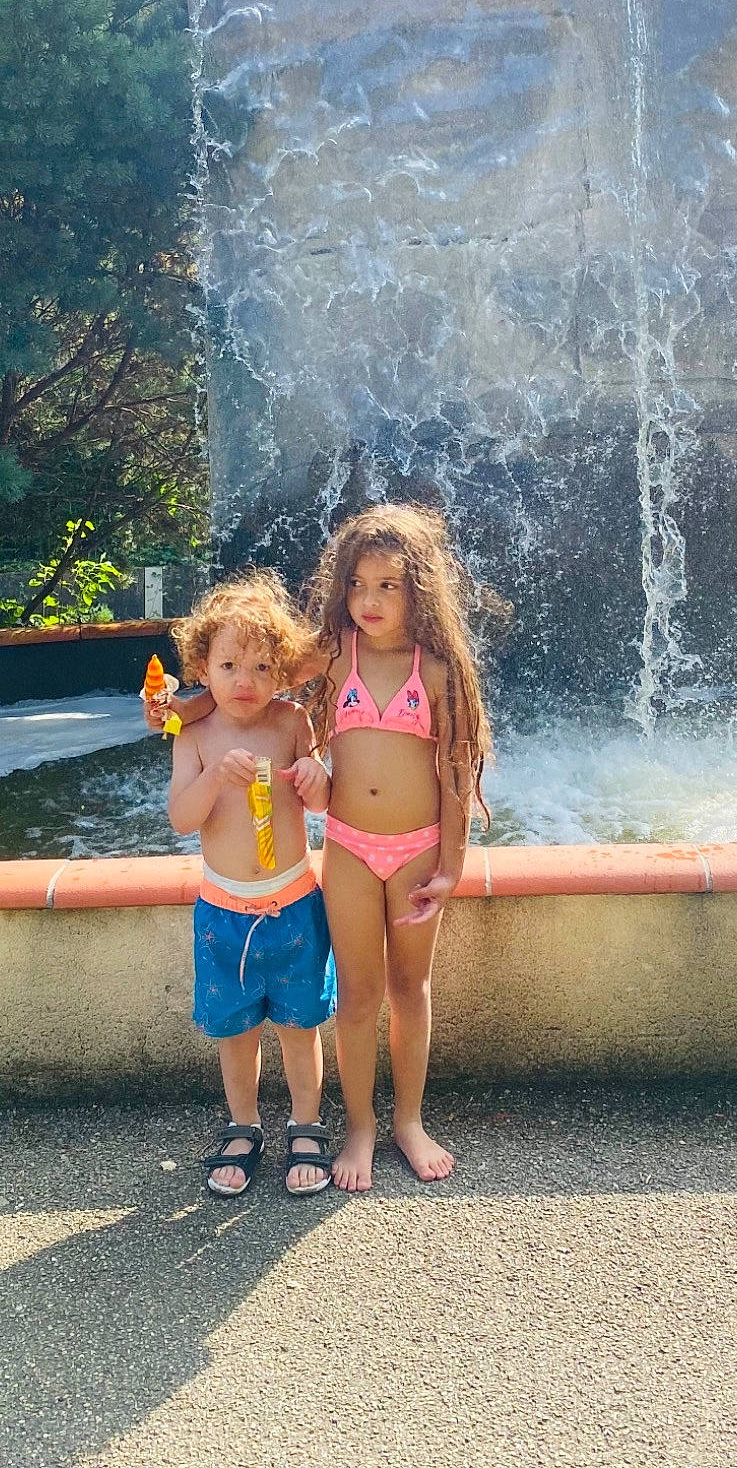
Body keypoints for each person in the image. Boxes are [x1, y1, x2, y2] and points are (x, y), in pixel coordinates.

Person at [149, 505, 494, 1193]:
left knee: (410, 988)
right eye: (359, 584)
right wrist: (179, 709)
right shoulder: (337, 649)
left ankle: (410, 1121)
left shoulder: (440, 672)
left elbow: (458, 773)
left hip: (419, 849)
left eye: (389, 586)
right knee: (360, 993)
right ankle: (361, 1125)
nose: (369, 600)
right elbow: (254, 679)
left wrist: (451, 867)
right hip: (349, 848)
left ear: (419, 587)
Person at [162, 572, 337, 1198]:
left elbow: (316, 798)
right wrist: (215, 781)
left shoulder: (291, 723)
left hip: (293, 906)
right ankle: (242, 1125)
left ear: (284, 673)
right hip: (224, 914)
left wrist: (316, 778)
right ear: (200, 665)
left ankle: (307, 1124)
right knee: (236, 1036)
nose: (245, 680)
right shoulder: (195, 734)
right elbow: (182, 817)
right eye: (229, 663)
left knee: (300, 1030)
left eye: (263, 666)